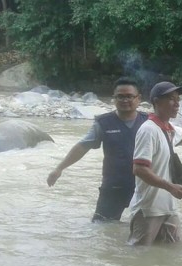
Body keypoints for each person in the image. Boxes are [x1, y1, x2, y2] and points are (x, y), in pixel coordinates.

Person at [47, 77, 148, 222]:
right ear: (114, 99)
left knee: (146, 229)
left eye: (129, 96)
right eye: (120, 96)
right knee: (102, 226)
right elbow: (83, 146)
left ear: (138, 99)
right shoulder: (103, 123)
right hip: (114, 186)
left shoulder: (149, 122)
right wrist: (59, 168)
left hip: (145, 185)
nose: (125, 100)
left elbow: (172, 139)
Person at [128, 81, 182, 245]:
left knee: (172, 255)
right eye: (171, 99)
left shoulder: (168, 128)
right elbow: (139, 169)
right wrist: (170, 187)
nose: (177, 103)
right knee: (139, 257)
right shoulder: (148, 130)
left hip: (169, 207)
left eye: (178, 99)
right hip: (149, 209)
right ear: (157, 102)